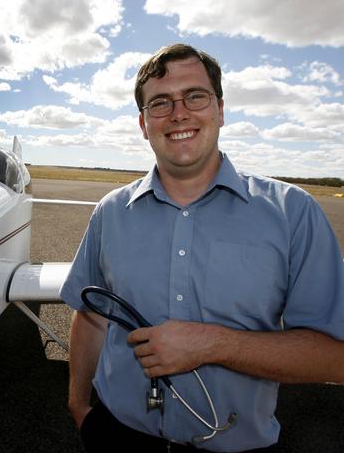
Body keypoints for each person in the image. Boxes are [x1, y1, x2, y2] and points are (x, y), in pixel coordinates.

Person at [59, 43, 344, 452]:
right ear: (143, 123)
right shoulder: (111, 212)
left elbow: (335, 357)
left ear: (221, 109)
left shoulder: (293, 212)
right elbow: (89, 314)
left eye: (195, 96)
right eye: (160, 103)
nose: (178, 113)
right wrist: (79, 406)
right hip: (117, 434)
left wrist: (214, 344)